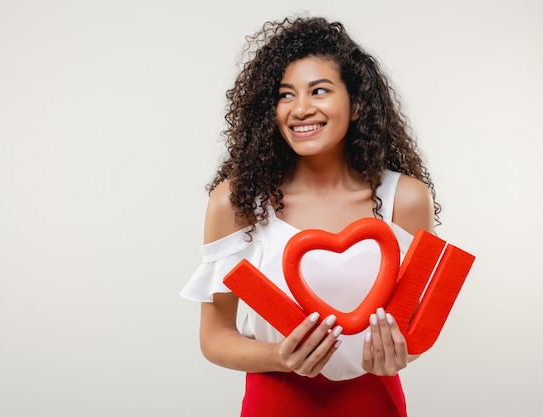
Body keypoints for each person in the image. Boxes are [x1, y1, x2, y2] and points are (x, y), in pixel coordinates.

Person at [181, 15, 440, 417]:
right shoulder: (237, 202)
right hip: (277, 400)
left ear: (356, 105)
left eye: (318, 91)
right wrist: (280, 356)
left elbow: (412, 329)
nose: (300, 109)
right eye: (285, 95)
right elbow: (214, 337)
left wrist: (399, 355)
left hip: (375, 401)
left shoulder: (405, 199)